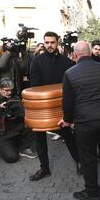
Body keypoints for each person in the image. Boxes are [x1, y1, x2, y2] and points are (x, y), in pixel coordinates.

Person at [59, 41, 100, 200]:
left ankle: (92, 191)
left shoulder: (69, 73)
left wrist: (67, 120)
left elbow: (68, 103)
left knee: (88, 157)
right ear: (91, 53)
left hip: (85, 122)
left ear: (75, 55)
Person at [29, 31, 79, 181]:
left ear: (57, 42)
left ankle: (80, 162)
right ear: (44, 43)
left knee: (68, 136)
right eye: (47, 42)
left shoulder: (66, 62)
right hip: (42, 107)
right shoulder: (37, 61)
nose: (50, 45)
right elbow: (34, 86)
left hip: (60, 107)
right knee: (39, 138)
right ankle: (44, 168)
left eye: (52, 42)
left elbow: (71, 86)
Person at [0, 78, 36, 163]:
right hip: (2, 135)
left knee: (34, 126)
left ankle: (24, 147)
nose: (9, 93)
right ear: (0, 89)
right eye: (6, 90)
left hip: (16, 130)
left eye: (11, 90)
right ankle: (1, 148)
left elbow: (24, 114)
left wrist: (18, 112)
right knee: (12, 158)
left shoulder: (14, 98)